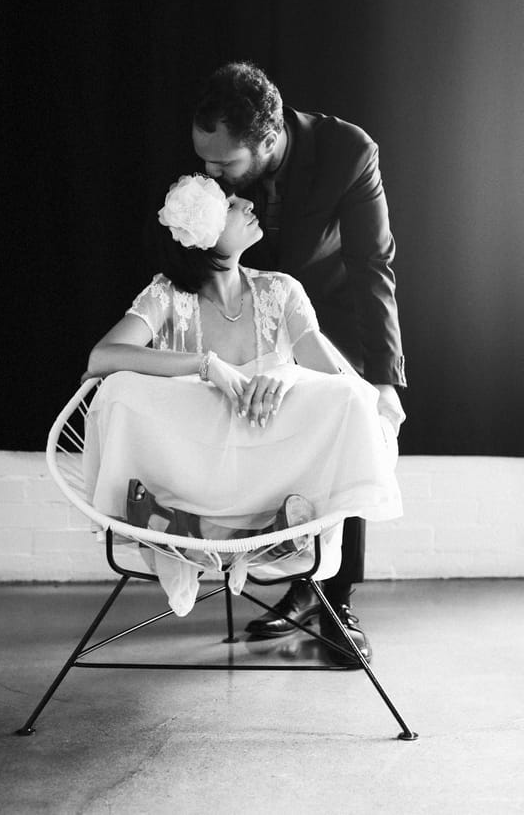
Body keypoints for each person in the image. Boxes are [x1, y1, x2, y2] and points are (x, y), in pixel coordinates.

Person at [82, 174, 402, 624]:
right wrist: (204, 366)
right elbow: (102, 357)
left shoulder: (280, 290)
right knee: (119, 387)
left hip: (273, 478)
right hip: (193, 475)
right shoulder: (167, 295)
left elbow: (336, 377)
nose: (248, 203)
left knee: (349, 398)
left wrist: (287, 374)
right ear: (203, 231)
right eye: (231, 204)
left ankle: (269, 531)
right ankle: (198, 527)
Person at [192, 61, 407, 662]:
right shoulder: (219, 152)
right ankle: (294, 583)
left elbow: (373, 266)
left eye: (224, 165)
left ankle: (338, 603)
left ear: (267, 139)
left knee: (349, 424)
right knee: (273, 445)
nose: (210, 174)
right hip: (243, 310)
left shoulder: (347, 150)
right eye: (204, 161)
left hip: (329, 312)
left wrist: (383, 381)